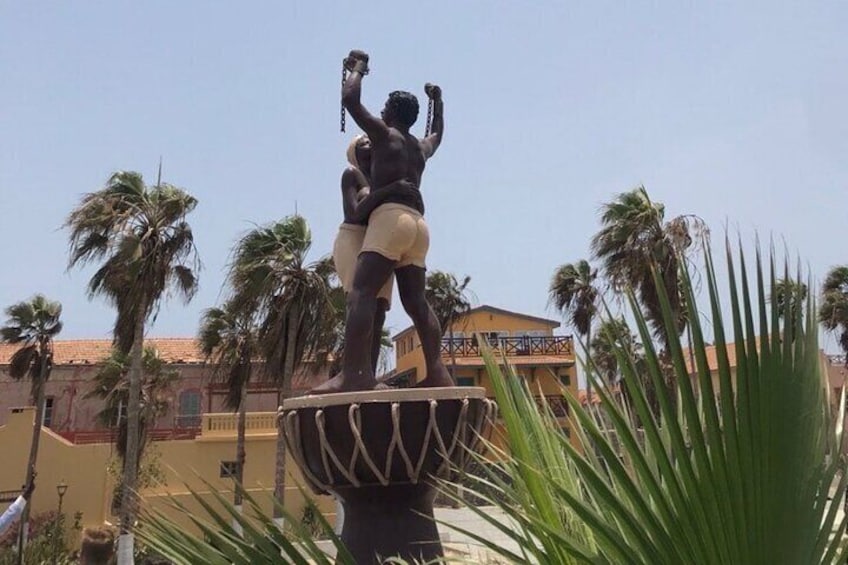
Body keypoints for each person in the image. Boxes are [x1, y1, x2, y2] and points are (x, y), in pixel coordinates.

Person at [312, 49, 452, 393]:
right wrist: (439, 101)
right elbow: (438, 134)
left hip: (389, 220)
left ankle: (354, 374)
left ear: (391, 113)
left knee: (361, 293)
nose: (382, 112)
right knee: (416, 303)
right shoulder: (419, 148)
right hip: (419, 225)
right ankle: (437, 372)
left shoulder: (384, 135)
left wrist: (358, 69)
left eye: (385, 108)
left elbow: (350, 99)